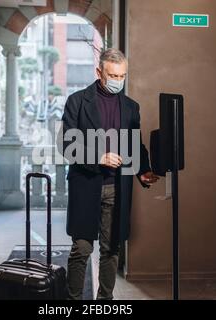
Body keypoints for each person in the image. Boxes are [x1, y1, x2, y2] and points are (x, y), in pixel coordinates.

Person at [59, 48, 159, 300]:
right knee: (81, 249)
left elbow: (136, 145)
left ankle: (105, 301)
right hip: (86, 184)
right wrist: (98, 157)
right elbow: (66, 145)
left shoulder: (130, 107)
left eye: (122, 75)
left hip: (118, 187)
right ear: (99, 72)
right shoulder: (77, 101)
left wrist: (143, 171)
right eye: (112, 75)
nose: (118, 81)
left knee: (111, 250)